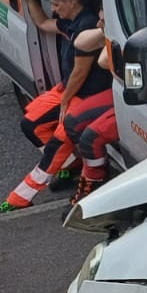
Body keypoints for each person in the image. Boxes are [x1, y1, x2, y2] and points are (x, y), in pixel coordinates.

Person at [2, 0, 101, 209]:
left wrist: (65, 101)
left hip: (84, 94)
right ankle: (70, 165)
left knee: (58, 141)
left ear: (72, 1)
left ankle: (20, 198)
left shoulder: (86, 26)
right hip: (67, 89)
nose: (54, 9)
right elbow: (44, 23)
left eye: (57, 5)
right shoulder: (71, 21)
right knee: (30, 124)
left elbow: (80, 72)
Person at [62, 20, 117, 205]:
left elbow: (104, 61)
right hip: (122, 86)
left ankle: (96, 186)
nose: (101, 18)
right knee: (72, 122)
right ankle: (92, 173)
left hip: (145, 93)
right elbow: (81, 43)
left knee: (90, 138)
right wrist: (105, 29)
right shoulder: (116, 17)